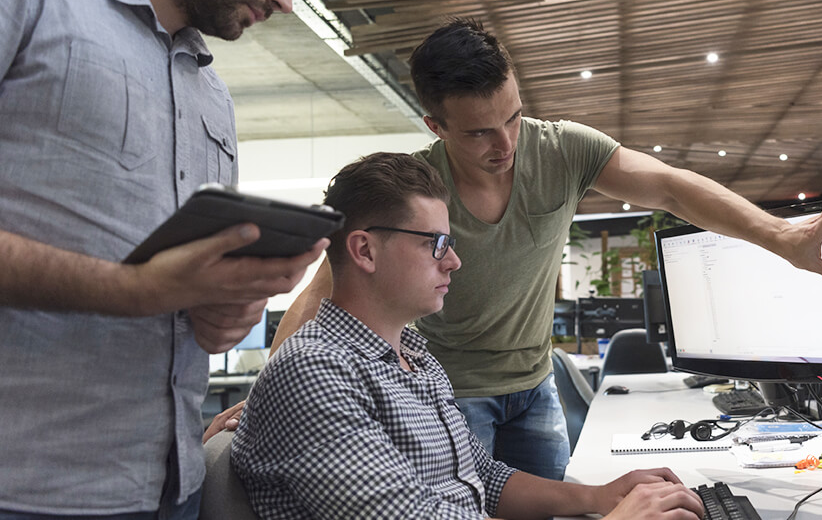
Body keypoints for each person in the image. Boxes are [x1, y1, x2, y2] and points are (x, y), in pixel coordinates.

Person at [265, 18, 822, 481]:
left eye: (514, 118)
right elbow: (326, 292)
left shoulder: (563, 150)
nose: (505, 144)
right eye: (479, 132)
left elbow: (673, 187)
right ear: (435, 126)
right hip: (449, 395)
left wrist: (780, 237)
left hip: (533, 385)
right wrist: (270, 393)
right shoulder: (416, 191)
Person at [0, 0, 327, 517]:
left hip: (169, 485)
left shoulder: (213, 96)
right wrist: (135, 290)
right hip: (29, 485)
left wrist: (224, 310)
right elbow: (143, 285)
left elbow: (188, 304)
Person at [231, 152, 704, 519]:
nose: (453, 261)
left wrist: (599, 495)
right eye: (435, 243)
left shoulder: (415, 357)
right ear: (365, 250)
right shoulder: (316, 371)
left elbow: (483, 475)